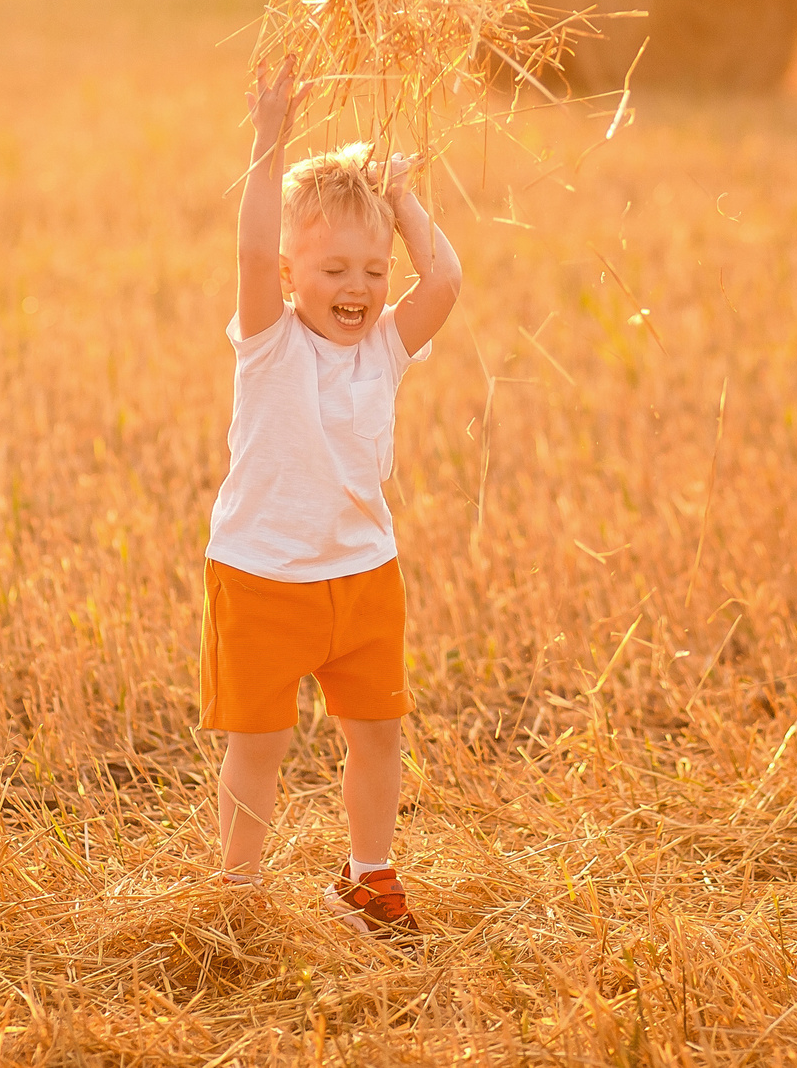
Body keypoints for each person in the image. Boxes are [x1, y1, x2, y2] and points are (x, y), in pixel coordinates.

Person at [201, 57, 462, 940]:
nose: (356, 289)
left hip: (363, 573)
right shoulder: (269, 342)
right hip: (264, 574)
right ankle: (237, 894)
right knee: (260, 745)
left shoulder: (383, 347)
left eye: (372, 271)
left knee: (379, 734)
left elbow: (449, 284)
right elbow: (247, 246)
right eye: (333, 270)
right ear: (288, 273)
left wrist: (401, 197)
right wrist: (269, 139)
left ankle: (369, 875)